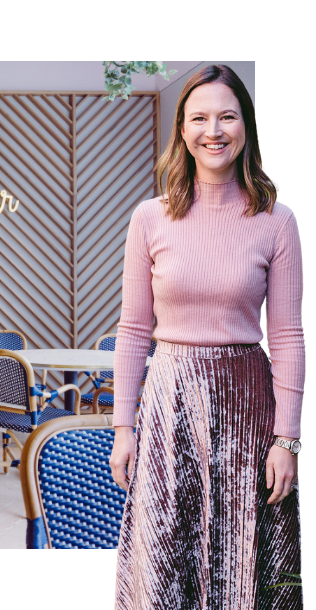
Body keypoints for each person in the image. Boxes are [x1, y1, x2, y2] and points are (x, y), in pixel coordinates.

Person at [109, 65, 303, 609]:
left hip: (248, 410)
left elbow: (286, 336)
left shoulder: (276, 220)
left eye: (227, 116)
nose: (213, 130)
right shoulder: (149, 217)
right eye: (199, 117)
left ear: (246, 126)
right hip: (169, 409)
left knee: (246, 564)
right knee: (164, 561)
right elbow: (131, 332)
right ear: (183, 130)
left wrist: (287, 441)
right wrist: (124, 427)